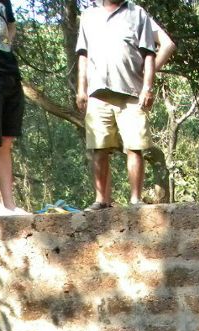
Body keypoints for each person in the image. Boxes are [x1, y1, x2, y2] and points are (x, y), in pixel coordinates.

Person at [75, 0, 175, 210]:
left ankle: (135, 199)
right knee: (98, 147)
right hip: (97, 93)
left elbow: (150, 52)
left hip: (131, 92)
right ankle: (101, 200)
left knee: (135, 146)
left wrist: (147, 86)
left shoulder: (137, 13)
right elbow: (83, 55)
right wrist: (81, 88)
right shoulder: (89, 16)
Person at [0, 0, 27, 216]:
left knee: (5, 140)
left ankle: (9, 204)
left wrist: (8, 40)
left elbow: (11, 23)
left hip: (8, 70)